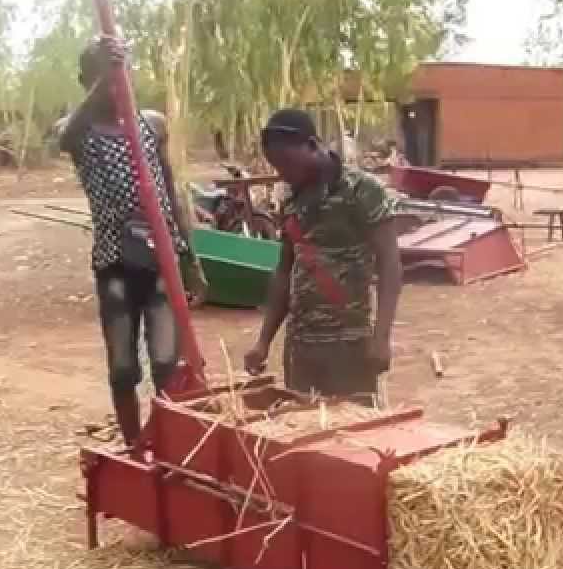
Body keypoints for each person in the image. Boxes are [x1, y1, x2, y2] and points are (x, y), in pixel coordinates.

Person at [59, 37, 190, 446]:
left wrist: (192, 258)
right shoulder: (80, 131)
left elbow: (170, 193)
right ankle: (134, 447)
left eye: (123, 73)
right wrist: (105, 78)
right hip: (115, 263)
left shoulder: (151, 125)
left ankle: (168, 443)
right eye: (107, 76)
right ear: (86, 81)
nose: (119, 84)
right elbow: (63, 138)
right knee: (122, 368)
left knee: (167, 362)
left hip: (161, 258)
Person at [243, 108, 402, 404]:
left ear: (313, 145)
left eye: (288, 163)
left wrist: (381, 337)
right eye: (277, 166)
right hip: (301, 348)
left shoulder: (363, 190)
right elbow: (284, 271)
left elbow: (390, 265)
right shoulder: (291, 200)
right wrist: (263, 341)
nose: (284, 173)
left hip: (350, 346)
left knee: (356, 427)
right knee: (302, 425)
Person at [139, 109, 209, 308]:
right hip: (118, 255)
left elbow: (170, 192)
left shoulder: (152, 124)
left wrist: (193, 262)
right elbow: (64, 132)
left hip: (160, 246)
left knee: (164, 315)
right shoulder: (86, 129)